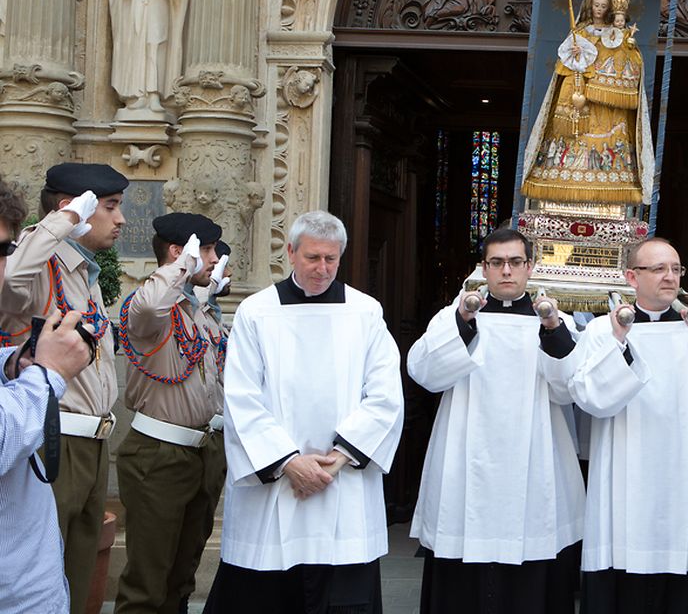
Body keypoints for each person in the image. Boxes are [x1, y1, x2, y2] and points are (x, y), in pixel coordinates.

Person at [204, 211, 404, 614]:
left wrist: (339, 459)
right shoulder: (257, 312)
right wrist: (289, 462)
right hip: (277, 483)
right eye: (313, 258)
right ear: (291, 252)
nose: (322, 268)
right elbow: (241, 396)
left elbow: (385, 395)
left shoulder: (365, 312)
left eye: (331, 259)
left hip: (342, 480)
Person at [409, 227, 585, 613]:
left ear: (530, 267)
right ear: (484, 268)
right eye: (497, 263)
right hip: (463, 460)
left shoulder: (556, 321)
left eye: (516, 262)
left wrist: (553, 332)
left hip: (535, 459)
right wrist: (463, 323)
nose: (507, 271)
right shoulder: (455, 314)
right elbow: (424, 372)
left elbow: (570, 388)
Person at [566, 237, 688, 613]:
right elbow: (587, 396)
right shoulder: (603, 331)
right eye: (659, 269)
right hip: (625, 475)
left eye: (675, 269)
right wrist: (620, 345)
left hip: (683, 474)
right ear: (631, 277)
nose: (670, 278)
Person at [0, 162, 127, 614]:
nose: (120, 220)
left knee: (75, 573)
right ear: (70, 207)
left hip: (92, 442)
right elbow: (9, 280)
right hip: (54, 438)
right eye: (109, 207)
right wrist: (64, 220)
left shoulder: (82, 272)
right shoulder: (38, 265)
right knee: (44, 569)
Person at [113, 213, 227, 614]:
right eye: (208, 250)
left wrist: (207, 301)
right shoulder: (152, 308)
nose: (214, 259)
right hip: (158, 455)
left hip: (202, 452)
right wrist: (183, 268)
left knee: (181, 576)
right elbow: (147, 308)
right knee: (147, 580)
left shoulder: (194, 310)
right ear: (181, 252)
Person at [520, 0, 654, 206]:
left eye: (604, 6)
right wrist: (575, 52)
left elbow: (629, 60)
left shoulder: (617, 35)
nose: (600, 10)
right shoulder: (580, 30)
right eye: (597, 5)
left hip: (606, 99)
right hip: (580, 91)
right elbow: (567, 61)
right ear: (589, 5)